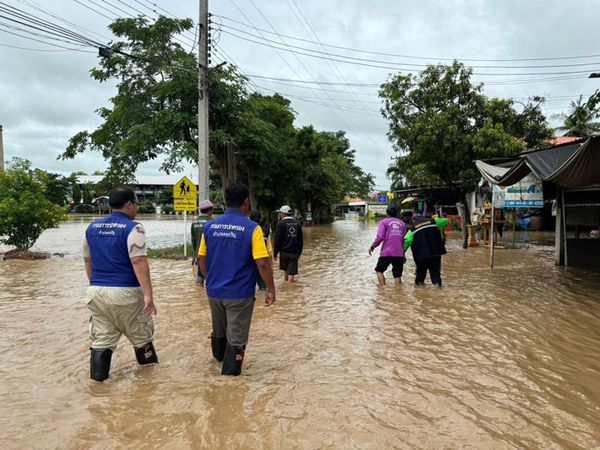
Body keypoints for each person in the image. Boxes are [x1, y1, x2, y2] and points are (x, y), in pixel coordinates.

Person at [198, 182, 276, 376]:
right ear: (246, 203)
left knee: (219, 331)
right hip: (239, 294)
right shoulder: (252, 229)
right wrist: (270, 289)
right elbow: (263, 263)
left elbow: (201, 257)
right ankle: (228, 383)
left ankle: (217, 367)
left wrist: (209, 280)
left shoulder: (209, 226)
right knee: (237, 338)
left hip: (214, 292)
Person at [82, 186, 158, 382]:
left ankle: (97, 388)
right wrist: (148, 294)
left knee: (102, 341)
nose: (137, 209)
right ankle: (151, 386)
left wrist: (95, 284)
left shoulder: (91, 228)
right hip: (126, 293)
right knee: (142, 339)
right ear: (129, 204)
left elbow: (87, 260)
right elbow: (138, 260)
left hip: (95, 291)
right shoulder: (135, 228)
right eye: (137, 204)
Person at [403, 210, 449, 287]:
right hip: (435, 253)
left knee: (420, 276)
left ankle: (420, 290)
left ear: (413, 220)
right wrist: (435, 218)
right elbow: (446, 221)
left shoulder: (412, 229)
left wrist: (402, 253)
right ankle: (437, 287)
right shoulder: (433, 221)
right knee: (435, 274)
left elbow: (407, 241)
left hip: (421, 255)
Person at [368, 205, 408, 286]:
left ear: (387, 213)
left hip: (387, 252)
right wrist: (403, 254)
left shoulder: (384, 222)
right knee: (397, 275)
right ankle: (398, 293)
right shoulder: (402, 223)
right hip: (399, 253)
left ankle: (383, 289)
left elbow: (380, 237)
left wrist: (373, 246)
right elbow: (404, 240)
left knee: (379, 271)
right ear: (396, 213)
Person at [273, 205, 303, 282]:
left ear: (283, 214)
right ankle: (290, 289)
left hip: (283, 253)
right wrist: (299, 252)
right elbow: (301, 240)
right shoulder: (297, 224)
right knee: (291, 273)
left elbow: (277, 240)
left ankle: (287, 289)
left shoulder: (280, 224)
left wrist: (275, 253)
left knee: (285, 270)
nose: (279, 215)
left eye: (280, 213)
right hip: (294, 253)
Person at [191, 199, 214, 286]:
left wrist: (194, 255)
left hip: (199, 254)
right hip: (209, 254)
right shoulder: (212, 222)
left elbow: (193, 240)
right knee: (211, 277)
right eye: (212, 209)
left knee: (200, 275)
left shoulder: (194, 222)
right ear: (209, 210)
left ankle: (198, 295)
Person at [249, 210, 272, 290]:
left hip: (248, 262)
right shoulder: (266, 231)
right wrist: (270, 265)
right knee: (263, 288)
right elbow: (269, 250)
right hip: (261, 261)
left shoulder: (246, 229)